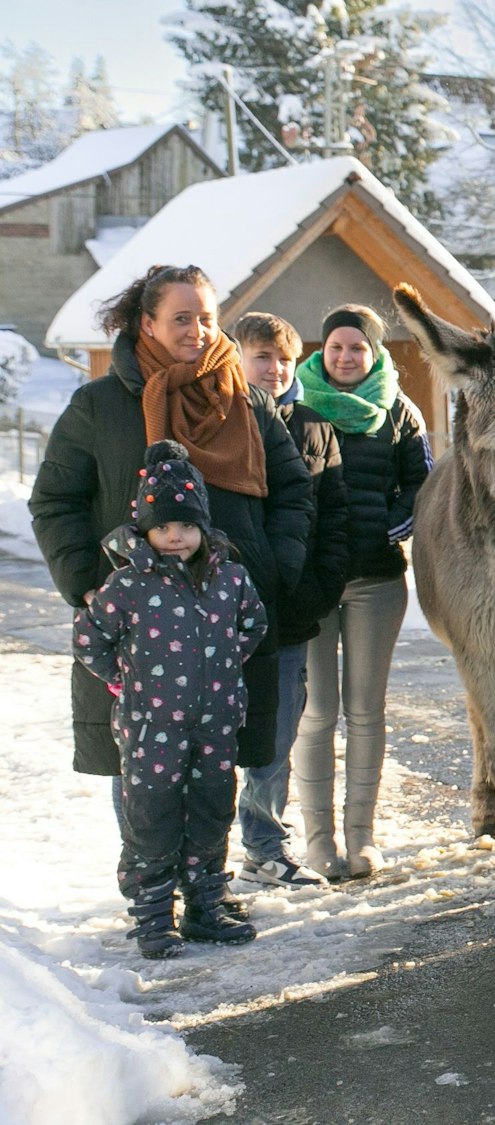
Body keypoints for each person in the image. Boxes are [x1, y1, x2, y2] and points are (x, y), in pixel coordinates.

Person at [30, 265, 312, 903]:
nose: (197, 329)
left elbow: (295, 490)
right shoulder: (100, 405)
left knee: (215, 768)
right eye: (181, 317)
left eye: (207, 316)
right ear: (146, 324)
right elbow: (54, 502)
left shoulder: (248, 400)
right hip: (138, 630)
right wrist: (87, 584)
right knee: (140, 769)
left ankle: (206, 894)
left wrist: (273, 565)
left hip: (219, 631)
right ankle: (154, 898)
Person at [75, 441, 268, 957]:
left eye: (184, 526)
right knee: (152, 816)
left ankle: (206, 905)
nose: (175, 536)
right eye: (163, 527)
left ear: (202, 527)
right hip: (151, 727)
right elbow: (89, 637)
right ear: (146, 531)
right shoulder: (129, 584)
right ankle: (154, 917)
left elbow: (253, 625)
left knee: (211, 809)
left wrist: (224, 669)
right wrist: (123, 680)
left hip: (216, 722)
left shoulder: (229, 578)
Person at [293, 304, 431, 881]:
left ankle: (362, 837)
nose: (346, 357)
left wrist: (394, 525)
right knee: (317, 711)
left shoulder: (400, 412)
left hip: (376, 579)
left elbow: (422, 485)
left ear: (375, 353)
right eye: (336, 347)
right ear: (321, 351)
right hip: (314, 583)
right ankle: (319, 839)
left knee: (366, 710)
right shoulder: (293, 409)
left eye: (357, 348)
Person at [232, 312, 350, 888]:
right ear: (236, 358)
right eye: (261, 357)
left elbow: (333, 520)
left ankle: (262, 845)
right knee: (213, 736)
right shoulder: (220, 421)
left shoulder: (314, 428)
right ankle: (201, 854)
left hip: (288, 612)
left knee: (277, 733)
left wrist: (316, 590)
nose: (273, 369)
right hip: (220, 613)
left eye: (283, 358)